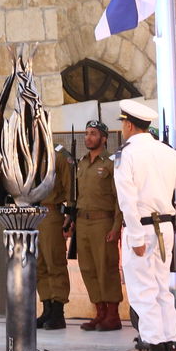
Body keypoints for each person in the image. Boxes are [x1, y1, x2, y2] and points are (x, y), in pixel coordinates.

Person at [113, 98, 176, 351]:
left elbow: (128, 200)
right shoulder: (168, 153)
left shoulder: (127, 155)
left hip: (142, 229)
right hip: (165, 229)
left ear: (128, 125)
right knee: (161, 291)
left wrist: (136, 237)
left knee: (143, 293)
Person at [72, 120, 123, 331]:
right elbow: (77, 196)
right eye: (86, 133)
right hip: (83, 222)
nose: (88, 137)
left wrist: (116, 227)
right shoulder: (81, 163)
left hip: (103, 222)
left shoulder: (111, 163)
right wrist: (72, 221)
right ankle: (99, 313)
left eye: (93, 134)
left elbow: (119, 198)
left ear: (104, 138)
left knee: (106, 268)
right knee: (88, 268)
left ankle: (113, 315)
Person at [36, 144, 74, 330]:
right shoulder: (28, 152)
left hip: (51, 212)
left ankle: (58, 312)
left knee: (54, 262)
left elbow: (70, 187)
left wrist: (70, 215)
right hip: (32, 213)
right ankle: (47, 308)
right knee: (39, 264)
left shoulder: (58, 155)